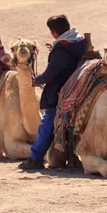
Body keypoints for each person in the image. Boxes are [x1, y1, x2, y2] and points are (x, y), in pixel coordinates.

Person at [20, 15, 86, 170]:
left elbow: (50, 74)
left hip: (61, 92)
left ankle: (35, 158)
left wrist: (37, 79)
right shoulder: (77, 41)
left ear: (55, 32)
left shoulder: (62, 49)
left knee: (47, 122)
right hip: (77, 86)